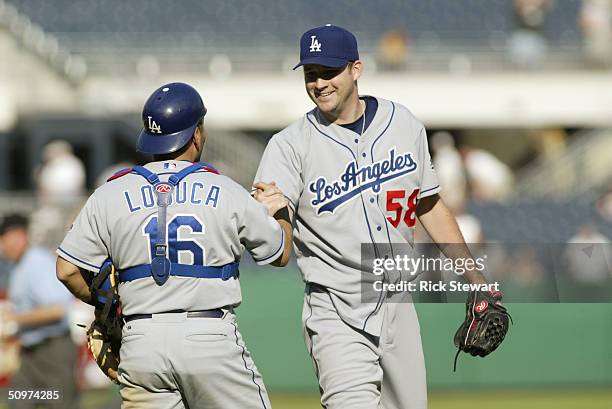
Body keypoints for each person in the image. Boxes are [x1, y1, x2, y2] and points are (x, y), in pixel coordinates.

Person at [254, 25, 498, 409]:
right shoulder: (288, 146)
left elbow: (429, 206)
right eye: (310, 74)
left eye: (328, 71)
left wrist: (476, 277)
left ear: (356, 69)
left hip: (399, 302)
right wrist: (269, 220)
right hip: (336, 306)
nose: (319, 83)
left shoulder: (402, 124)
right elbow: (278, 243)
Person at [56, 82, 292, 409]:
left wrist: (105, 306)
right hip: (208, 337)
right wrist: (280, 211)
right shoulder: (224, 189)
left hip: (141, 343)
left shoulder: (109, 193)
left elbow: (66, 270)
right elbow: (280, 254)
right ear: (196, 134)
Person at [0, 214, 78, 409]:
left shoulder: (36, 262)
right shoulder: (20, 266)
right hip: (32, 354)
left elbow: (57, 310)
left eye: (3, 239)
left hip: (53, 352)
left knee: (59, 404)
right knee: (18, 400)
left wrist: (12, 320)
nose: (1, 247)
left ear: (19, 236)